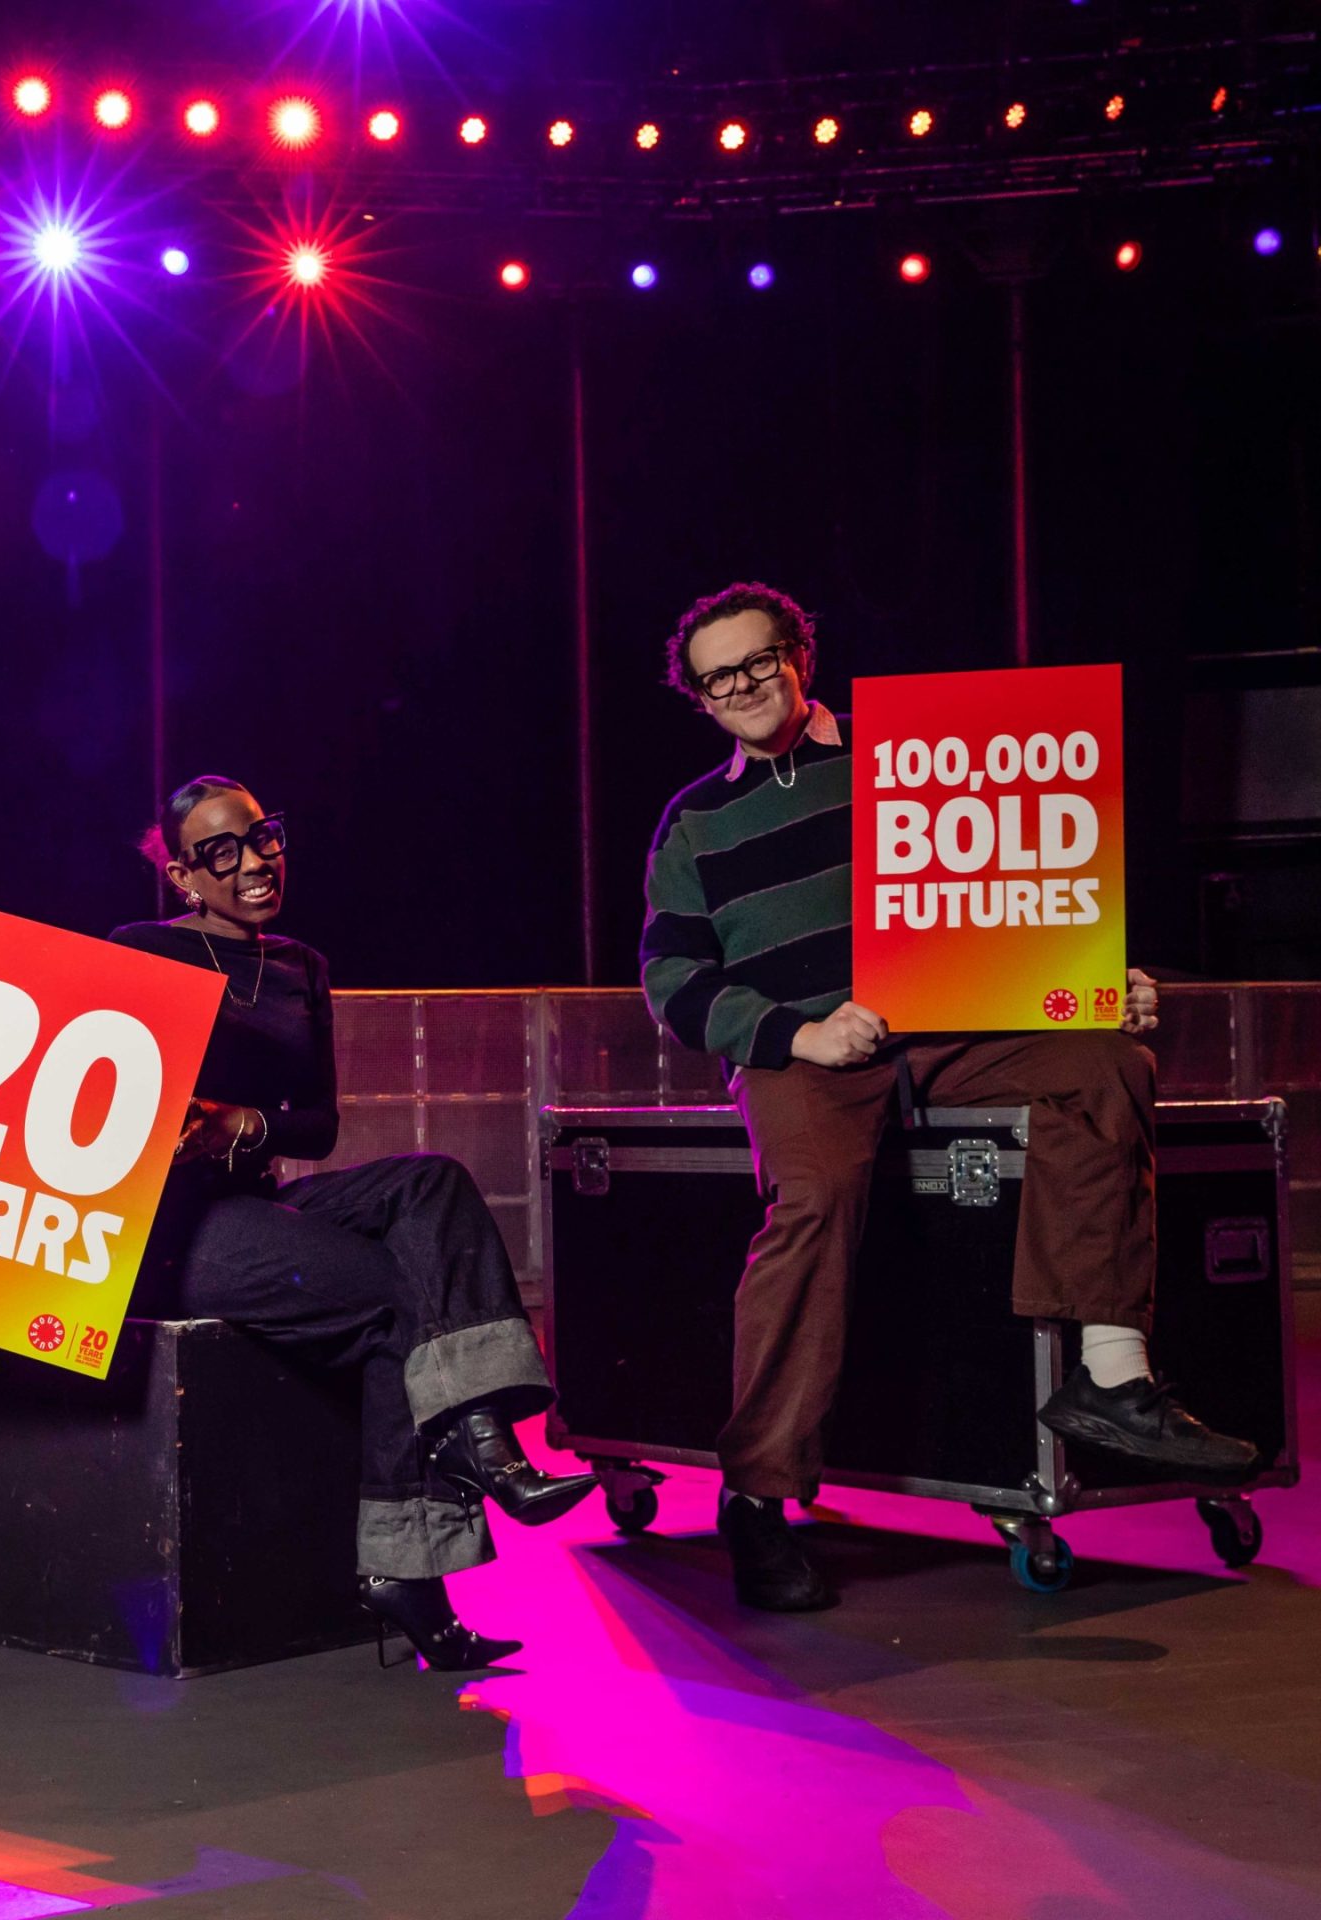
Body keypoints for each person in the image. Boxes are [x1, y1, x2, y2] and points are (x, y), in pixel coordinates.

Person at [640, 580, 1259, 1612]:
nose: (741, 687)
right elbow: (674, 981)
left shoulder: (909, 762)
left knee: (1101, 1062)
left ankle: (1108, 1375)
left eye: (757, 662)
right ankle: (756, 1495)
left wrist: (1100, 981)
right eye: (716, 680)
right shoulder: (692, 823)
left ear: (800, 655)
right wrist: (798, 1032)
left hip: (948, 1026)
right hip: (807, 1052)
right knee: (812, 1209)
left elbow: (1019, 880)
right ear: (698, 700)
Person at [110, 774, 596, 1673]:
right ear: (184, 876)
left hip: (252, 1197)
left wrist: (244, 1123)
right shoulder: (137, 951)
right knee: (388, 1293)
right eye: (222, 851)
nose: (255, 862)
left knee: (434, 1184)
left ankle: (484, 1438)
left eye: (262, 837)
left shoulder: (302, 966)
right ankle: (418, 1553)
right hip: (165, 1227)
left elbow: (318, 1126)